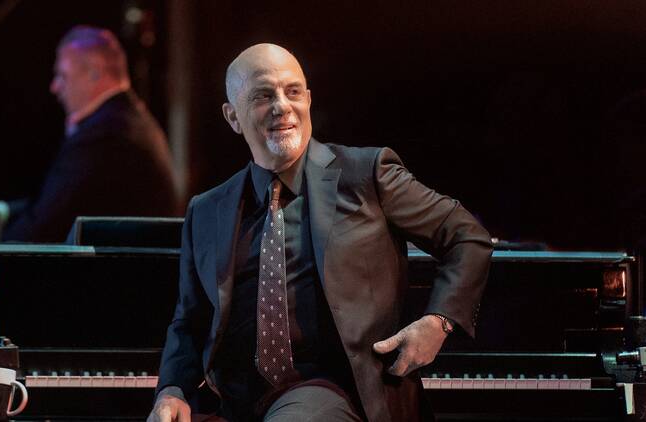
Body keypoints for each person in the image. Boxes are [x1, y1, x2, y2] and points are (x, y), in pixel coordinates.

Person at [148, 43, 492, 422]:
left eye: (293, 91)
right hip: (235, 401)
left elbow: (466, 237)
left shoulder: (367, 175)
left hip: (333, 391)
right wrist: (172, 390)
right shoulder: (207, 209)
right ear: (233, 117)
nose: (282, 106)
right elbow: (190, 320)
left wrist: (438, 322)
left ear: (308, 100)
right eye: (263, 96)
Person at [0, 25, 180, 243]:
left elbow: (41, 229)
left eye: (62, 75)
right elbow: (52, 204)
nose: (55, 87)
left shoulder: (108, 134)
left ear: (94, 73)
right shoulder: (122, 121)